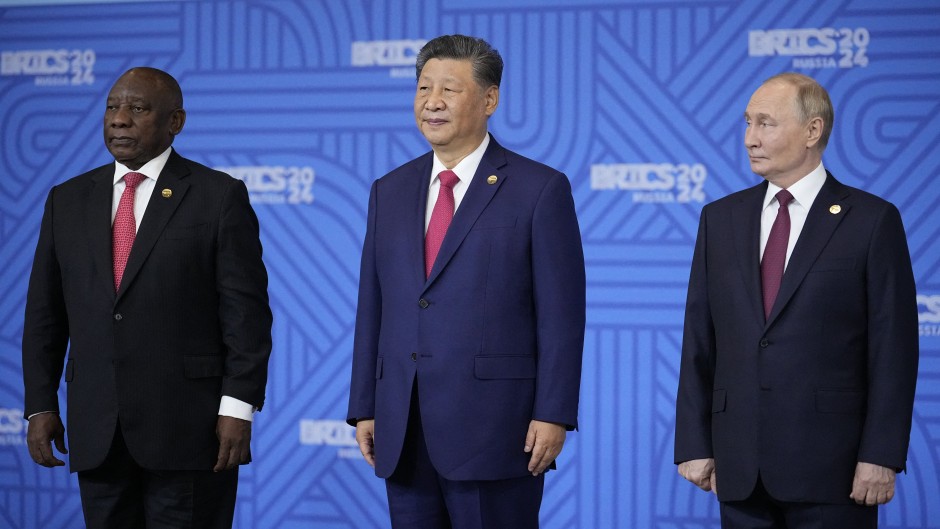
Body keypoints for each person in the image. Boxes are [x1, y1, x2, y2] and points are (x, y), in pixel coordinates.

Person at [347, 34, 586, 528]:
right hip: (404, 427)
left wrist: (554, 412)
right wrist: (365, 406)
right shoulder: (388, 191)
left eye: (449, 91)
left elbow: (561, 314)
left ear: (490, 99)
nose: (431, 102)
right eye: (422, 88)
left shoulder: (540, 189)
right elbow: (373, 306)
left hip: (498, 429)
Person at [22, 67, 273, 528]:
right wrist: (40, 405)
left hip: (191, 431)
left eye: (138, 109)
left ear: (175, 121)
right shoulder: (67, 200)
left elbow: (246, 317)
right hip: (98, 432)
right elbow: (44, 316)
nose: (120, 119)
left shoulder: (218, 196)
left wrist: (237, 408)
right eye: (113, 107)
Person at [674, 72, 919, 528]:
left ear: (813, 131)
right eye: (747, 123)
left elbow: (894, 352)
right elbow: (699, 340)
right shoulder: (719, 219)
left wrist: (881, 455)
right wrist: (693, 443)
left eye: (765, 123)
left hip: (835, 471)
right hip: (740, 469)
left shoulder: (871, 221)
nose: (750, 139)